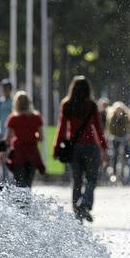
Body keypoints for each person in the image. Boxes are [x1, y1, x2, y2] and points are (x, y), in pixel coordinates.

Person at [53, 76, 108, 222]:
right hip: (91, 147)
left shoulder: (67, 104)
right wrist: (104, 148)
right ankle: (85, 203)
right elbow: (99, 129)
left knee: (76, 180)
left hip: (74, 148)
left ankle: (78, 213)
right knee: (92, 179)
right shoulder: (91, 105)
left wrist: (56, 147)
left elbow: (62, 127)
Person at [5, 91, 45, 188]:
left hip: (18, 154)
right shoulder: (36, 117)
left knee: (18, 184)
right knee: (28, 184)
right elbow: (41, 138)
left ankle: (19, 203)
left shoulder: (13, 118)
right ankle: (27, 203)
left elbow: (7, 139)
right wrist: (31, 137)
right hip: (32, 153)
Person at [106, 101, 130, 184]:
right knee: (114, 155)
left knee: (126, 155)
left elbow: (129, 126)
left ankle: (124, 173)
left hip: (124, 137)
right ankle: (114, 173)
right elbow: (110, 128)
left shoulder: (126, 116)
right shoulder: (112, 116)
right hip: (115, 137)